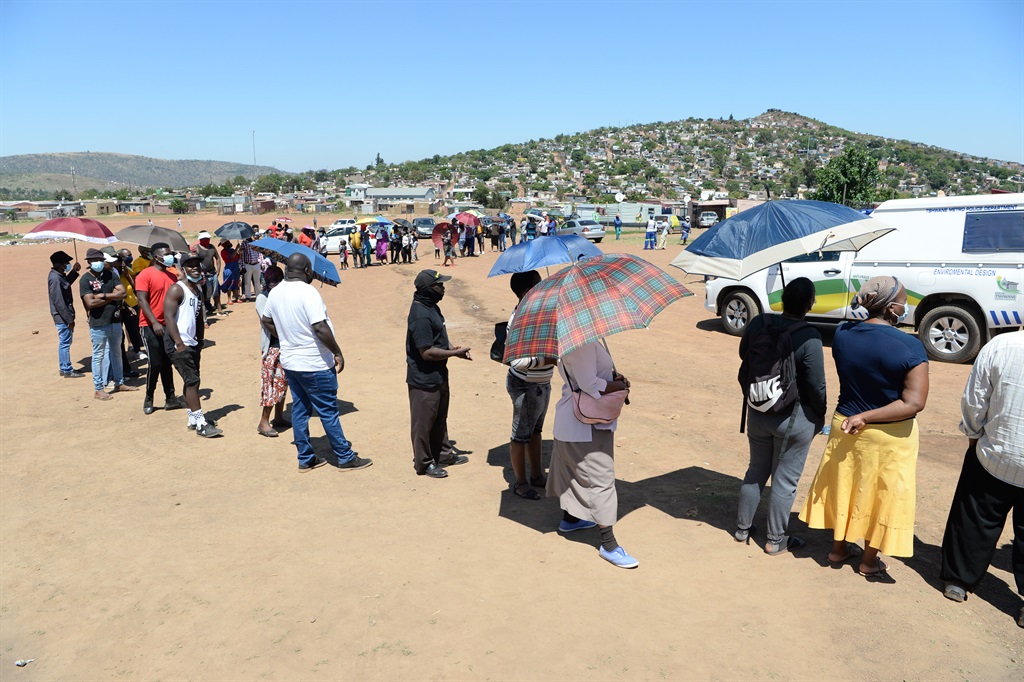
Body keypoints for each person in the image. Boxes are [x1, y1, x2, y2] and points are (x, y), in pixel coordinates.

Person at [800, 276, 929, 583]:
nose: (905, 303)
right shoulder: (910, 345)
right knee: (880, 495)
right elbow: (914, 403)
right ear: (893, 308)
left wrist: (860, 416)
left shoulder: (844, 333)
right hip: (889, 436)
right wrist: (869, 417)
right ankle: (869, 562)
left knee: (845, 487)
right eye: (903, 298)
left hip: (845, 425)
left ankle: (837, 549)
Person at [734, 278, 826, 554]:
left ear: (783, 299)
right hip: (793, 418)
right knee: (785, 479)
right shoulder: (809, 336)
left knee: (756, 471)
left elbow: (744, 354)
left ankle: (742, 529)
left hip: (758, 410)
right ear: (810, 304)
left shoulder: (759, 323)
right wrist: (818, 418)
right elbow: (815, 385)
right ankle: (775, 540)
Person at [939, 329, 1024, 627]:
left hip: (995, 456)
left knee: (975, 517)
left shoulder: (1001, 345)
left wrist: (974, 437)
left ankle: (958, 581)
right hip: (998, 455)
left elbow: (975, 400)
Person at [262, 253, 371, 472]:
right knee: (328, 411)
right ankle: (345, 456)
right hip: (315, 364)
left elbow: (266, 319)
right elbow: (320, 327)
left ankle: (306, 458)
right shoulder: (308, 292)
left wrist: (284, 337)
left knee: (301, 409)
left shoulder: (275, 292)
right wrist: (337, 352)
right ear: (306, 271)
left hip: (292, 363)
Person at [547, 339, 635, 568]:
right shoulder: (580, 342)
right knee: (601, 479)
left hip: (579, 422)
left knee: (574, 473)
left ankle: (572, 519)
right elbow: (589, 384)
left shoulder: (584, 338)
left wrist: (615, 380)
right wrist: (619, 387)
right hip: (584, 425)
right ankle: (609, 545)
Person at [406, 269, 471, 478]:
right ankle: (424, 463)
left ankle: (443, 453)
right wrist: (453, 353)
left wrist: (453, 349)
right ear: (428, 289)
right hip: (424, 379)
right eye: (439, 285)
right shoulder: (420, 315)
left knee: (440, 418)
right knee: (423, 424)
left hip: (439, 374)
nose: (443, 288)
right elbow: (426, 352)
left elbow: (439, 338)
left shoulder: (432, 307)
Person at [505, 271, 556, 500]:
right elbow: (515, 360)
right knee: (520, 435)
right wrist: (547, 360)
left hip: (542, 383)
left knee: (535, 432)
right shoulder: (519, 319)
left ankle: (536, 475)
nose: (543, 289)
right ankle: (520, 482)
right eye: (538, 285)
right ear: (527, 291)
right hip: (525, 384)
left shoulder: (539, 313)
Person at [163, 252, 222, 437]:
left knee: (192, 382)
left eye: (197, 264)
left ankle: (192, 419)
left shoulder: (197, 289)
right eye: (190, 265)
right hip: (178, 343)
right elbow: (169, 318)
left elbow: (197, 316)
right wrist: (179, 343)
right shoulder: (177, 289)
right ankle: (201, 423)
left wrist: (200, 339)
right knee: (192, 381)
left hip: (193, 342)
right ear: (183, 269)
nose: (195, 267)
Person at [79, 248, 138, 400]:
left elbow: (123, 293)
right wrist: (113, 297)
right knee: (98, 355)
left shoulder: (110, 275)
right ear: (89, 263)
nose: (98, 263)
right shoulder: (85, 280)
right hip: (98, 323)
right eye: (95, 261)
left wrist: (104, 295)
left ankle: (119, 382)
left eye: (100, 260)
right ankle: (99, 388)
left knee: (117, 352)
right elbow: (90, 302)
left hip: (115, 321)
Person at [135, 243, 185, 415]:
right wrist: (154, 322)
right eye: (167, 254)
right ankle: (149, 396)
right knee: (155, 363)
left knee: (167, 362)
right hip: (149, 325)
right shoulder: (145, 275)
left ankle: (170, 397)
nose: (170, 257)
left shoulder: (172, 276)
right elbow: (142, 300)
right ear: (156, 257)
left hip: (168, 325)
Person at [255, 265, 290, 437]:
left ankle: (279, 417)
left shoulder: (284, 296)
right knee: (270, 385)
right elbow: (267, 321)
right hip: (272, 347)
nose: (275, 285)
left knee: (283, 384)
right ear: (266, 282)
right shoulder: (263, 298)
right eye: (272, 281)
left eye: (278, 281)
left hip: (285, 346)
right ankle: (263, 422)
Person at [48, 250, 83, 378]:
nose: (68, 264)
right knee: (65, 342)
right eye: (66, 263)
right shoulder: (55, 278)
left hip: (63, 316)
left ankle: (65, 367)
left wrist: (74, 272)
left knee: (65, 341)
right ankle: (66, 369)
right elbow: (59, 302)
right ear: (60, 264)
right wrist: (69, 319)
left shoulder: (58, 275)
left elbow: (66, 285)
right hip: (62, 317)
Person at [193, 231, 223, 315]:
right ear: (201, 239)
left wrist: (218, 270)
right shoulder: (196, 248)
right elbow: (193, 261)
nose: (207, 240)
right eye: (205, 239)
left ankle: (219, 309)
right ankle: (207, 309)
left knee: (216, 292)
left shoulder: (212, 247)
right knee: (205, 293)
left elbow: (217, 258)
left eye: (208, 239)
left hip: (213, 273)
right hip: (203, 275)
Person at [238, 235, 261, 302]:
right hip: (248, 264)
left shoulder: (256, 242)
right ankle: (248, 296)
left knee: (257, 281)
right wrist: (242, 266)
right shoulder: (244, 243)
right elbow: (241, 256)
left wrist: (261, 262)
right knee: (247, 281)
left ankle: (258, 296)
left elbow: (260, 253)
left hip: (256, 264)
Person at [219, 240, 241, 304]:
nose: (230, 243)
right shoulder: (223, 252)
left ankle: (237, 297)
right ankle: (229, 299)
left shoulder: (232, 250)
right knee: (229, 283)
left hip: (236, 266)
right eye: (228, 242)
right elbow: (232, 257)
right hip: (229, 268)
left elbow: (238, 258)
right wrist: (236, 248)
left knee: (236, 282)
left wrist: (240, 253)